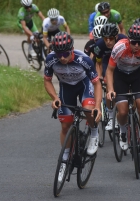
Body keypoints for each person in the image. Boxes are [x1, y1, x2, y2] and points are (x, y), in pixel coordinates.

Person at [44, 32, 102, 181]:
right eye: (59, 54)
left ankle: (94, 134)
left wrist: (97, 106)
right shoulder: (51, 60)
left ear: (72, 49)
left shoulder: (84, 59)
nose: (62, 57)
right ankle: (64, 160)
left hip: (84, 85)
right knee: (65, 126)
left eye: (66, 53)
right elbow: (47, 81)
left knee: (88, 110)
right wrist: (55, 98)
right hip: (66, 88)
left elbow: (96, 83)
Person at [106, 23, 140, 158]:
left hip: (137, 75)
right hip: (120, 75)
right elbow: (109, 71)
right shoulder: (119, 47)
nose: (137, 46)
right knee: (122, 111)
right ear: (128, 40)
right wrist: (110, 89)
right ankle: (122, 132)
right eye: (134, 42)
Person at [93, 23, 127, 131]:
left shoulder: (124, 40)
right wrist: (99, 77)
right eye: (105, 38)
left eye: (111, 38)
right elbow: (98, 63)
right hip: (107, 63)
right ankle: (111, 117)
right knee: (109, 86)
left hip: (121, 63)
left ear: (116, 37)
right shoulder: (99, 45)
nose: (108, 41)